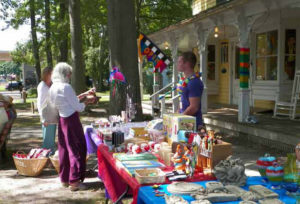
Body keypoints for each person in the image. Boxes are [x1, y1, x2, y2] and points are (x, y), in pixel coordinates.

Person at [49, 62, 96, 191]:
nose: (70, 75)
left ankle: (65, 178)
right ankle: (74, 181)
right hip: (71, 120)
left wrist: (84, 94)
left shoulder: (53, 87)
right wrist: (88, 101)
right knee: (77, 148)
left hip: (62, 119)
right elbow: (78, 107)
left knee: (64, 149)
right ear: (65, 74)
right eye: (69, 73)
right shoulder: (66, 87)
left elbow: (67, 100)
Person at [177, 51, 204, 129]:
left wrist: (180, 118)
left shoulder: (194, 82)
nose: (177, 64)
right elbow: (183, 100)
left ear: (187, 63)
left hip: (192, 124)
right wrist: (177, 113)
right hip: (185, 121)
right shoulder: (185, 80)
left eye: (180, 62)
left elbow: (194, 107)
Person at [37, 67, 56, 154]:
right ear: (46, 75)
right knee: (48, 140)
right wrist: (43, 117)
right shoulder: (42, 86)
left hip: (52, 116)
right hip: (46, 117)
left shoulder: (51, 85)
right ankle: (46, 158)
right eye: (52, 74)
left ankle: (50, 157)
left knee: (51, 139)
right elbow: (40, 103)